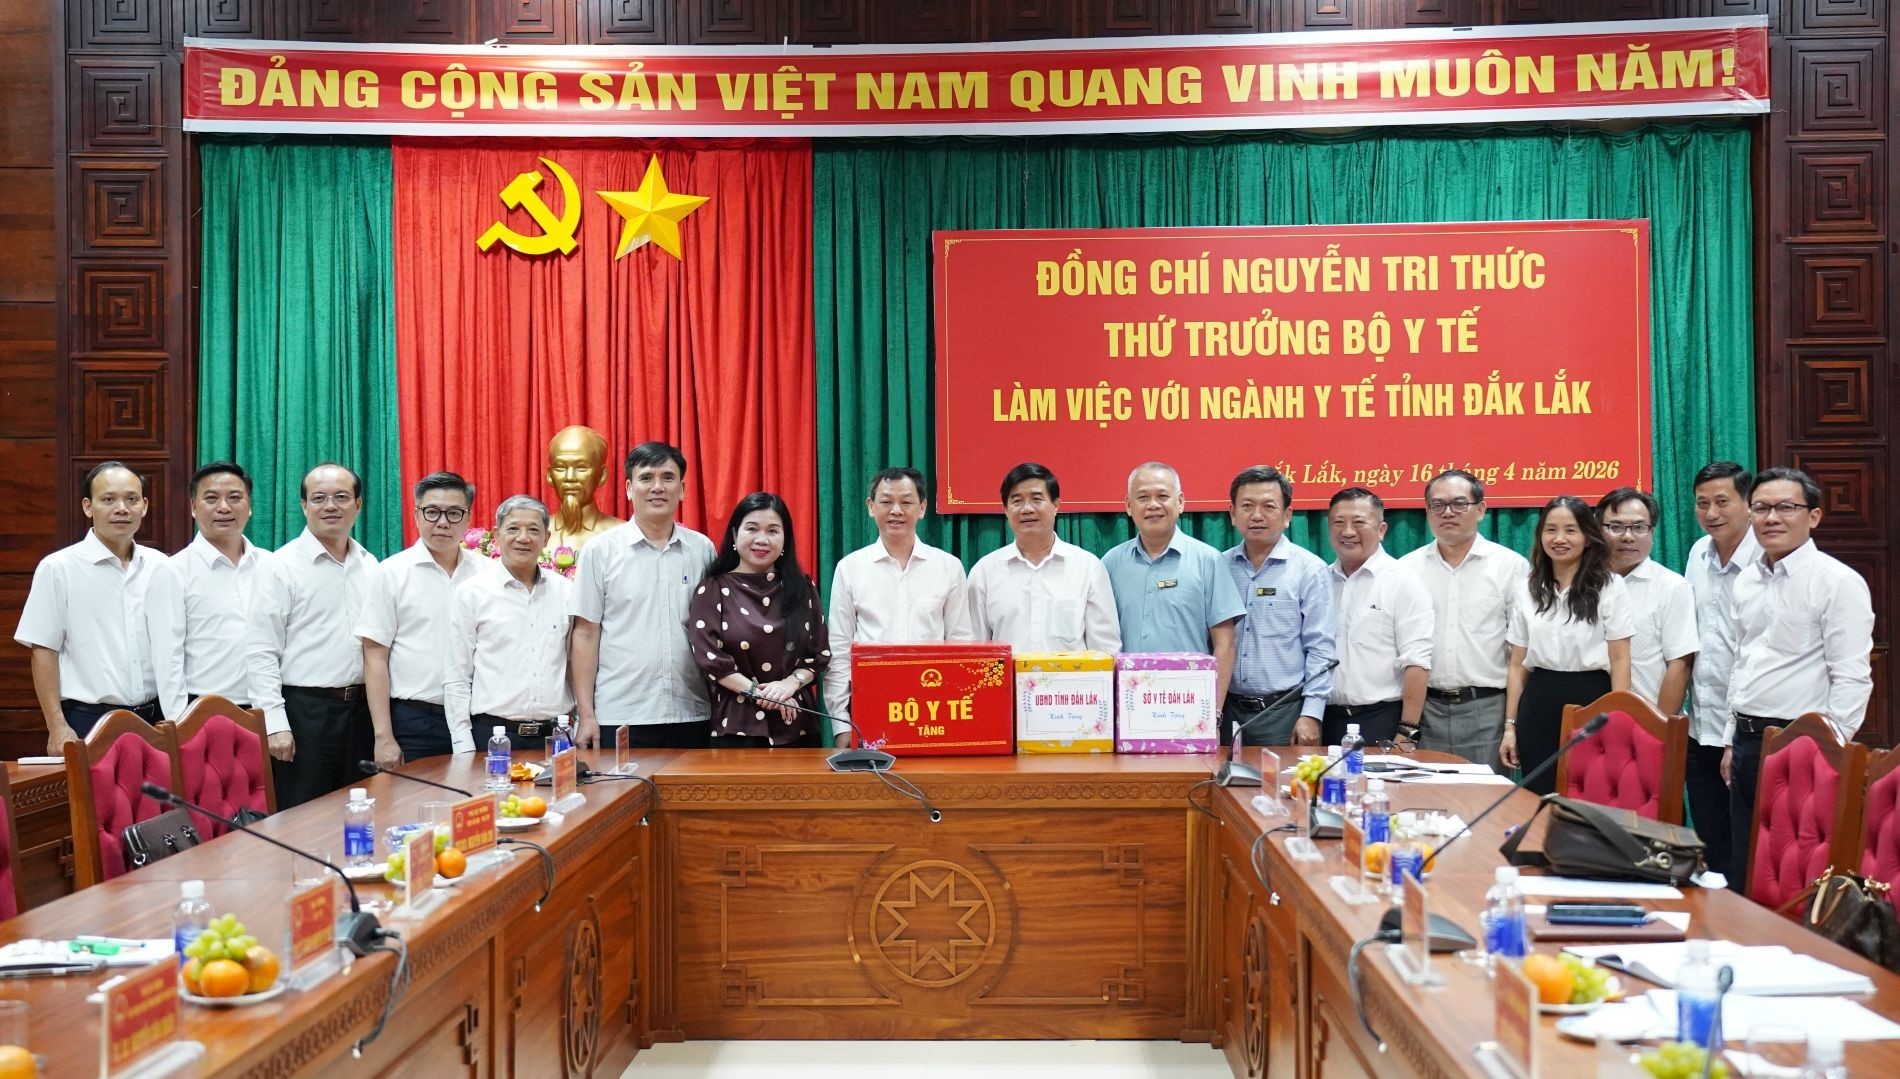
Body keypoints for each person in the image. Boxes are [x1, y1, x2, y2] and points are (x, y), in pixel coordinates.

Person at [1724, 467, 1874, 889]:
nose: (1771, 517)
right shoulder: (1747, 580)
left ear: (1814, 516)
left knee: (1797, 871)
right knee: (1747, 864)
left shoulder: (1838, 582)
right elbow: (1742, 661)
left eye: (1786, 507)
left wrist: (1830, 752)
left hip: (1804, 744)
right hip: (1747, 740)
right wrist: (1729, 739)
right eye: (1761, 508)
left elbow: (1852, 676)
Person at [246, 463, 379, 808]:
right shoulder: (280, 566)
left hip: (362, 712)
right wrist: (275, 723)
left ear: (358, 505)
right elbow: (261, 650)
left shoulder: (370, 565)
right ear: (304, 506)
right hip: (306, 714)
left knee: (361, 810)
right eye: (319, 498)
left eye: (341, 497)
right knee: (302, 817)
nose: (330, 506)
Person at [571, 442, 717, 750]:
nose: (657, 487)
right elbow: (585, 633)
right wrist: (586, 715)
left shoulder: (702, 549)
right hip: (621, 713)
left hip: (691, 710)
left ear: (682, 489)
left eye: (668, 477)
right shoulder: (600, 551)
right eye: (646, 478)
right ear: (629, 488)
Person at [14, 461, 164, 750]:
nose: (122, 508)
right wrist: (57, 726)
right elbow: (44, 650)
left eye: (131, 499)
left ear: (144, 506)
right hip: (89, 720)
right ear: (87, 506)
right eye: (108, 499)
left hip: (156, 719)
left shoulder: (162, 566)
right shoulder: (59, 568)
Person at [825, 467, 974, 746]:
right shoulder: (850, 568)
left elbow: (961, 644)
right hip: (870, 704)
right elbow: (839, 648)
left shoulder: (948, 567)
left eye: (906, 502)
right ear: (871, 507)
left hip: (935, 708)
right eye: (886, 502)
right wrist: (841, 723)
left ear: (922, 508)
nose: (896, 511)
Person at [1501, 496, 1633, 795]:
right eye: (1551, 530)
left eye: (1570, 530)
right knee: (1539, 797)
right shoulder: (1527, 589)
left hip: (1593, 697)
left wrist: (1617, 720)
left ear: (1587, 537)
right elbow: (1517, 665)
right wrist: (1510, 726)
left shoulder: (1610, 586)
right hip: (1538, 702)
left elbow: (1621, 660)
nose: (1559, 539)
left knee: (1589, 798)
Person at [1400, 470, 1530, 770]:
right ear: (1427, 511)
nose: (1447, 512)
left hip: (1487, 710)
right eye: (1437, 505)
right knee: (1423, 795)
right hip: (1424, 710)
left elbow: (1521, 654)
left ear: (1481, 510)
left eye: (1459, 504)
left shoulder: (1510, 567)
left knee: (1486, 796)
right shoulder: (1406, 569)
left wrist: (1511, 723)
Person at [356, 472, 486, 764]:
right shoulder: (391, 573)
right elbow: (374, 656)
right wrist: (383, 737)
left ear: (468, 518)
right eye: (432, 512)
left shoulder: (488, 573)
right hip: (416, 721)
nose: (443, 522)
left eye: (454, 513)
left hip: (478, 720)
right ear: (416, 515)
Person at [685, 493, 830, 747]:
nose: (762, 539)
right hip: (737, 728)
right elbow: (710, 659)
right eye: (752, 529)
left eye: (773, 531)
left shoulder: (803, 588)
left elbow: (818, 655)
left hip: (797, 722)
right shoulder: (713, 588)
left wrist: (787, 686)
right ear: (734, 535)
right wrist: (763, 694)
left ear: (785, 539)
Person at [1104, 462, 1243, 712]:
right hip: (1128, 704)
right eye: (1143, 497)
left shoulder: (1208, 561)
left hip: (1190, 702)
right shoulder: (1110, 563)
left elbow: (1225, 644)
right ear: (1128, 505)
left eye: (1162, 496)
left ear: (1180, 502)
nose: (1153, 505)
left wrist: (1213, 712)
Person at [446, 497, 573, 753]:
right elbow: (457, 674)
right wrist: (462, 742)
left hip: (556, 735)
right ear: (496, 535)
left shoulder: (567, 592)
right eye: (513, 528)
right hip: (493, 736)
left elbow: (574, 666)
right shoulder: (472, 593)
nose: (523, 538)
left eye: (533, 530)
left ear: (546, 538)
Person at [1216, 465, 1329, 746]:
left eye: (1269, 506)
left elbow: (1321, 647)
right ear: (1232, 513)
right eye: (1247, 506)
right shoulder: (1218, 567)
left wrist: (1312, 714)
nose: (1257, 515)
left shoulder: (1309, 569)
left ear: (1287, 515)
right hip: (1226, 711)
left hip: (1284, 712)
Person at [1682, 461, 1756, 880]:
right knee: (1711, 847)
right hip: (1701, 727)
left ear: (1748, 504)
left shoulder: (1767, 560)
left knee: (1748, 849)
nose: (1712, 513)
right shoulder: (1698, 552)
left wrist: (1732, 738)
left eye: (1722, 502)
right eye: (1702, 503)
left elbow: (1756, 656)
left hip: (1747, 730)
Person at [148, 461, 264, 723]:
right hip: (202, 713)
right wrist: (180, 722)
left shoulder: (270, 566)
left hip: (267, 709)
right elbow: (167, 656)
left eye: (234, 497)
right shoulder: (173, 571)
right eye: (211, 498)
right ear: (193, 507)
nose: (224, 507)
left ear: (249, 505)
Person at [966, 463, 1120, 653]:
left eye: (1037, 499)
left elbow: (1105, 649)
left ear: (1056, 505)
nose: (1027, 509)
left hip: (1073, 674)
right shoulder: (984, 572)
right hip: (1006, 674)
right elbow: (976, 649)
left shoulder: (1088, 568)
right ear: (1005, 509)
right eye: (1017, 501)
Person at [1323, 488, 1432, 747]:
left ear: (1381, 530)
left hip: (1381, 720)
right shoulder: (1321, 580)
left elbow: (1416, 662)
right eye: (1338, 522)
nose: (1348, 531)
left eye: (1359, 522)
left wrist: (1407, 732)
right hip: (1325, 719)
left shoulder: (1403, 582)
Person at [1597, 488, 1698, 714]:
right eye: (1616, 527)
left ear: (1652, 532)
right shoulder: (1586, 584)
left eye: (1639, 527)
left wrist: (1659, 726)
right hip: (1585, 718)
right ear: (1598, 530)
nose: (1627, 536)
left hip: (1644, 720)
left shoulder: (1671, 586)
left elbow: (1680, 665)